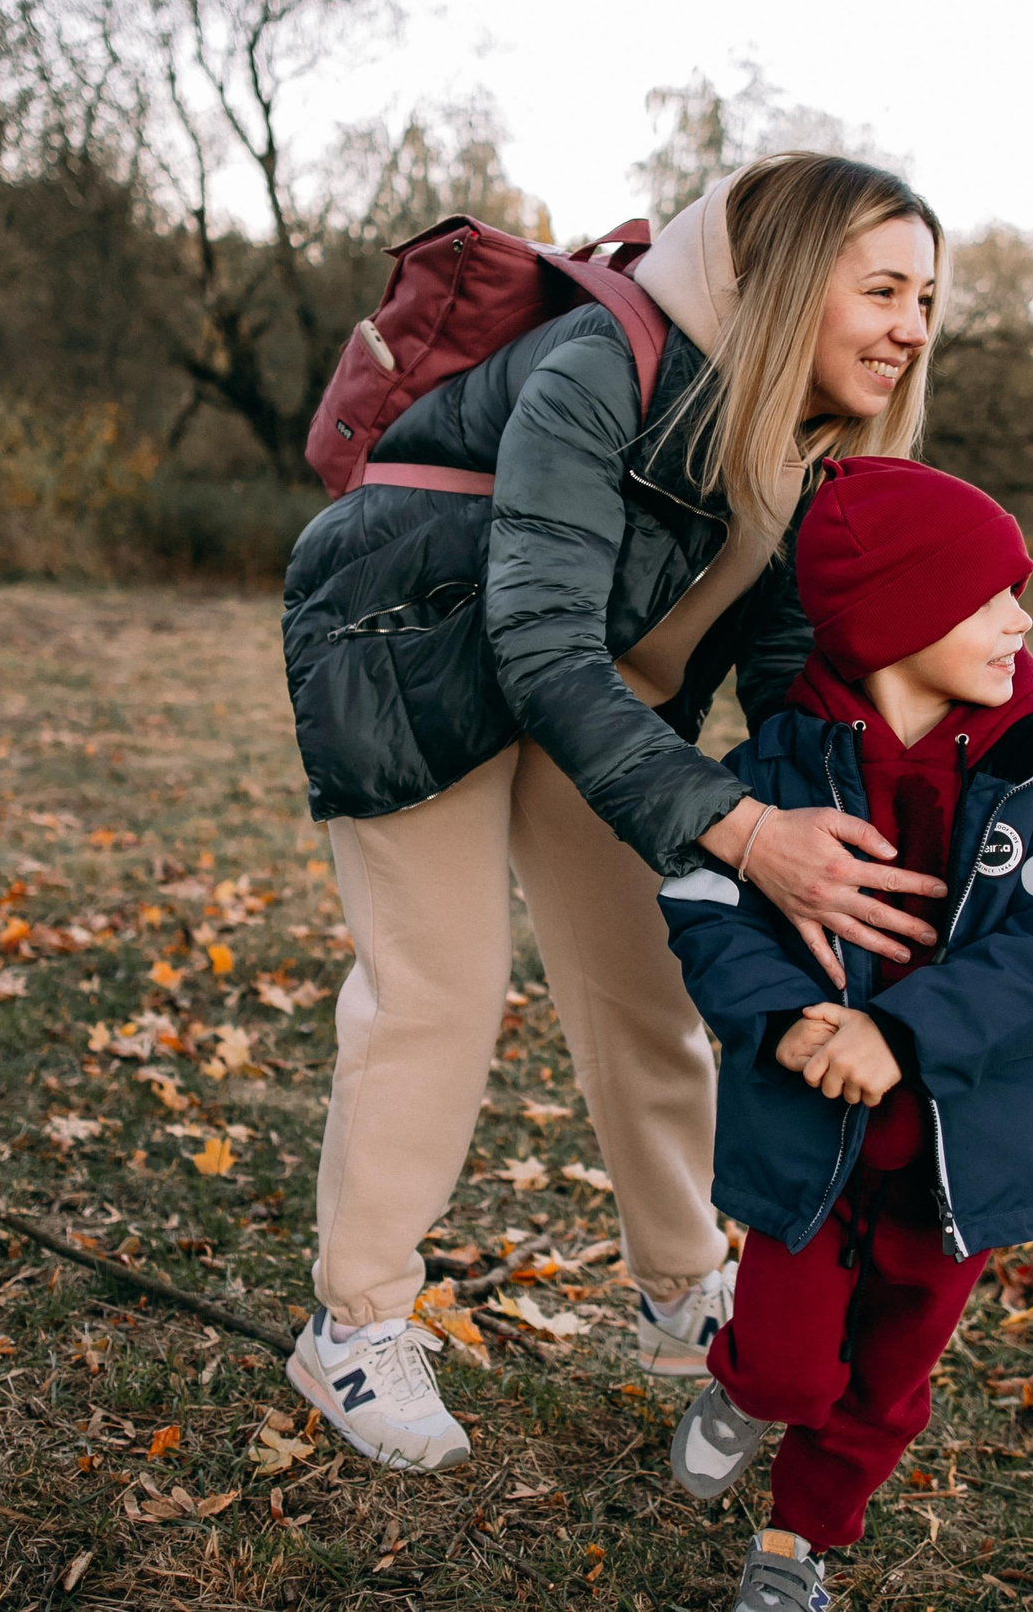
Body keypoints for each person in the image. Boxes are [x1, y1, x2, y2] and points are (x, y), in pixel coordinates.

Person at [279, 156, 958, 1472]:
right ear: (788, 280)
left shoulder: (806, 437)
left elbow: (784, 669)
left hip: (596, 694)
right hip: (419, 658)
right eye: (883, 289)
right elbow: (539, 645)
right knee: (441, 988)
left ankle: (678, 1288)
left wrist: (864, 815)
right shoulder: (603, 364)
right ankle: (353, 1321)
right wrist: (746, 832)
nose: (912, 326)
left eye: (926, 296)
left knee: (650, 986)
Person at [655, 457, 1033, 1610]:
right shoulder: (775, 768)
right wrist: (786, 1013)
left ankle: (792, 1548)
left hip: (965, 1151)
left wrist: (900, 1036)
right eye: (992, 595)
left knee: (884, 1382)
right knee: (788, 1356)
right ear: (897, 616)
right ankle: (745, 1388)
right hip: (811, 1133)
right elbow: (706, 905)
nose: (1022, 617)